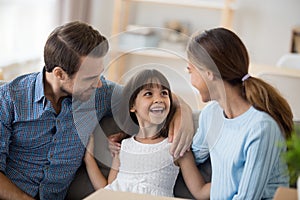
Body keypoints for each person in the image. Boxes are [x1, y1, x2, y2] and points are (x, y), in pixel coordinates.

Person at [0, 21, 194, 200]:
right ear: (59, 74)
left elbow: (147, 96)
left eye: (100, 75)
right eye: (89, 78)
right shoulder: (9, 99)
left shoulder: (99, 94)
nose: (99, 83)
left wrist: (183, 111)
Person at [187, 27, 293, 199]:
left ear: (209, 73)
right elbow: (191, 156)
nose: (190, 80)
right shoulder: (211, 115)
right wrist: (179, 112)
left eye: (190, 71)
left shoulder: (261, 128)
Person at [84, 69, 210, 199]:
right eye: (149, 93)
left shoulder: (176, 147)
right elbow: (108, 189)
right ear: (133, 105)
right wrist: (89, 158)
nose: (158, 99)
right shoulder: (124, 146)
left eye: (164, 93)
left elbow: (200, 192)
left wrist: (231, 180)